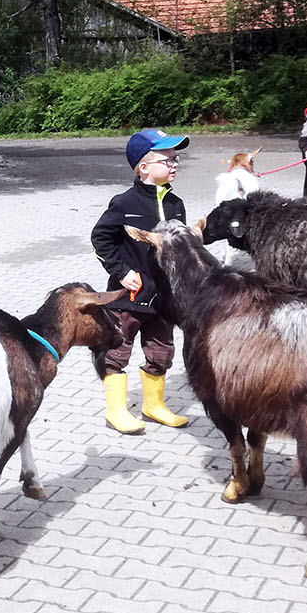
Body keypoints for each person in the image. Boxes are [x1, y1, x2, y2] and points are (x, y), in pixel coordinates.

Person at [89, 129, 191, 435]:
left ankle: (153, 406)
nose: (175, 164)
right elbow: (100, 238)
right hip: (129, 296)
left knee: (162, 351)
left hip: (163, 298)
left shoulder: (176, 204)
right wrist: (121, 271)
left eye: (176, 158)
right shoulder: (124, 203)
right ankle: (116, 410)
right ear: (143, 167)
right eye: (168, 158)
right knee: (117, 351)